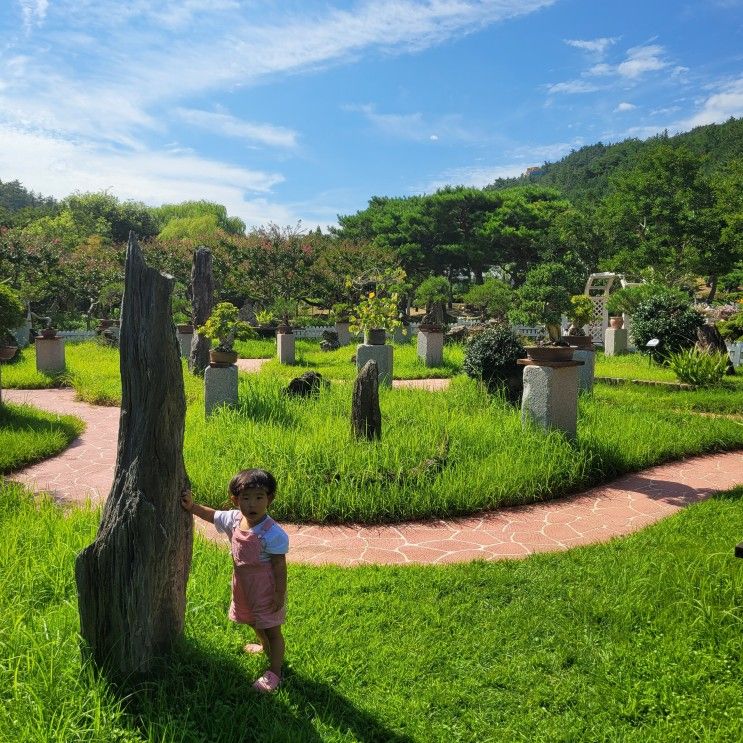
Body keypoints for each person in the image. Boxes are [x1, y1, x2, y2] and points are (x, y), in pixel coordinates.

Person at [181, 468, 288, 693]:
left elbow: (279, 566)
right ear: (235, 500)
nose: (252, 504)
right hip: (243, 585)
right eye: (245, 498)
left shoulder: (272, 533)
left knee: (272, 628)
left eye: (259, 498)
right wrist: (192, 507)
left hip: (266, 589)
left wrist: (279, 594)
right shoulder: (234, 519)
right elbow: (212, 515)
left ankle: (275, 672)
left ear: (270, 498)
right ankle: (263, 645)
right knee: (251, 620)